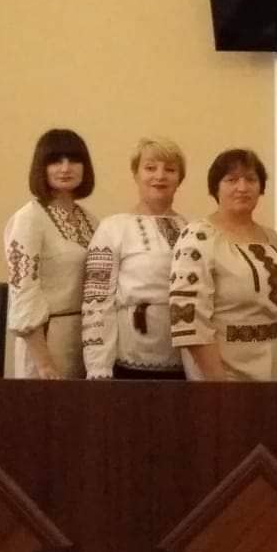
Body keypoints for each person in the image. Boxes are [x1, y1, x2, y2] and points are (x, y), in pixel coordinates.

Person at [169, 149, 277, 382]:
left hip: (275, 369)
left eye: (251, 179)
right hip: (223, 374)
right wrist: (219, 384)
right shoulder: (198, 237)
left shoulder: (272, 238)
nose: (242, 187)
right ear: (215, 187)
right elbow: (189, 319)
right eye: (231, 180)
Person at [82, 137, 188, 380]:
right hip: (130, 358)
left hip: (183, 360)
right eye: (150, 168)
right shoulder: (113, 228)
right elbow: (96, 299)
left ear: (179, 178)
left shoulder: (191, 229)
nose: (160, 176)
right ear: (136, 173)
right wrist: (98, 366)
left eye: (170, 169)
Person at [4, 128, 98, 379]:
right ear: (41, 167)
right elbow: (23, 292)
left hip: (85, 340)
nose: (65, 168)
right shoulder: (29, 219)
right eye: (55, 161)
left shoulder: (91, 221)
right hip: (45, 343)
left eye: (73, 160)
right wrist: (44, 363)